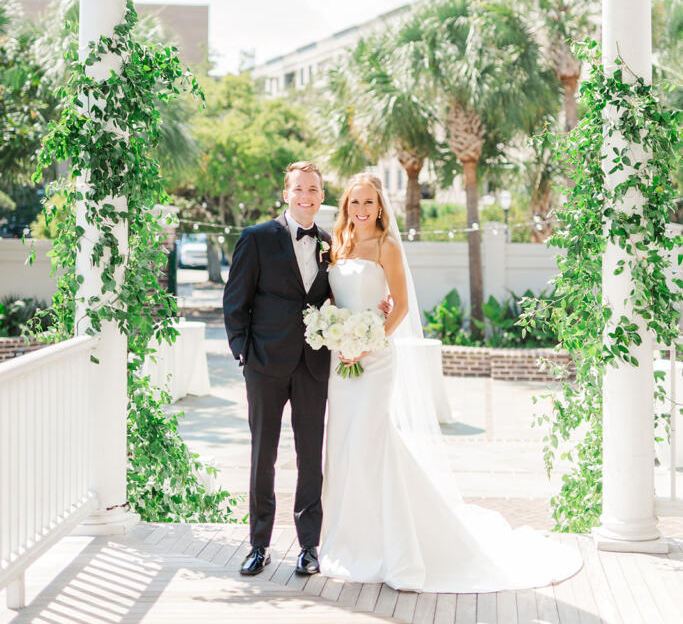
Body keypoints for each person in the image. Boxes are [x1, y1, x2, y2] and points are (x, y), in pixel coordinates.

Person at [319, 172, 583, 592]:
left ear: (380, 207)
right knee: (343, 446)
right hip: (341, 362)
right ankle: (348, 539)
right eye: (355, 203)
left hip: (375, 359)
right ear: (347, 205)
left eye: (369, 203)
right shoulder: (338, 245)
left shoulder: (386, 245)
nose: (362, 210)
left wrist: (367, 343)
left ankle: (392, 547)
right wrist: (336, 334)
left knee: (369, 443)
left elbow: (401, 306)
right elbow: (334, 300)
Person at [223, 161, 332, 577]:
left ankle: (308, 547)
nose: (306, 196)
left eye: (314, 189)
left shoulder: (329, 242)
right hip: (265, 365)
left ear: (322, 195)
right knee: (262, 456)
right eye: (299, 189)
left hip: (312, 365)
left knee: (310, 458)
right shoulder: (255, 238)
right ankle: (258, 544)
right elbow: (235, 303)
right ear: (286, 194)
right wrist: (244, 354)